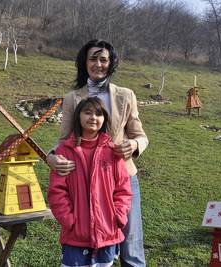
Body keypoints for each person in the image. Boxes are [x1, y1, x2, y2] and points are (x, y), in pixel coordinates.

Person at [47, 39, 149, 266]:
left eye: (104, 59)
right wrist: (50, 156)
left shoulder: (126, 95)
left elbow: (140, 135)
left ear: (111, 63)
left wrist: (134, 145)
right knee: (93, 247)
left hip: (123, 178)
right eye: (93, 58)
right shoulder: (73, 98)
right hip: (83, 180)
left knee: (131, 247)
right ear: (85, 62)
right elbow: (64, 140)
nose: (98, 64)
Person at [48, 97, 132, 267]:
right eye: (88, 112)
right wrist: (69, 221)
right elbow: (57, 192)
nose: (93, 117)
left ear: (104, 119)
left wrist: (118, 217)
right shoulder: (65, 151)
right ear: (78, 116)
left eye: (99, 114)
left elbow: (123, 190)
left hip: (107, 233)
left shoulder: (112, 153)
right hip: (76, 236)